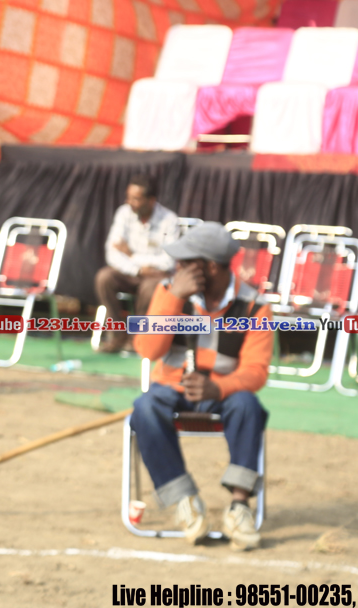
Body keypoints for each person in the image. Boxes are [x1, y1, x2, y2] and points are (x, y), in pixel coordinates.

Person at [131, 222, 273, 551]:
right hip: (171, 389)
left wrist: (218, 388)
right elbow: (147, 350)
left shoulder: (254, 305)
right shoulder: (169, 291)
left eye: (185, 261)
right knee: (144, 407)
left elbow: (256, 371)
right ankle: (186, 502)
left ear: (209, 267)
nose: (177, 267)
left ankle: (240, 507)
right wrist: (174, 298)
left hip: (222, 393)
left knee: (248, 405)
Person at [95, 174, 179, 353]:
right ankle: (117, 336)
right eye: (129, 197)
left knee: (150, 288)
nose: (130, 202)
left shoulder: (169, 220)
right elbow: (112, 252)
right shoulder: (123, 212)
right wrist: (138, 269)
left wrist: (132, 255)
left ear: (151, 200)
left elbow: (168, 261)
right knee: (104, 277)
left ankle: (137, 338)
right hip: (132, 272)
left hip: (156, 277)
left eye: (136, 199)